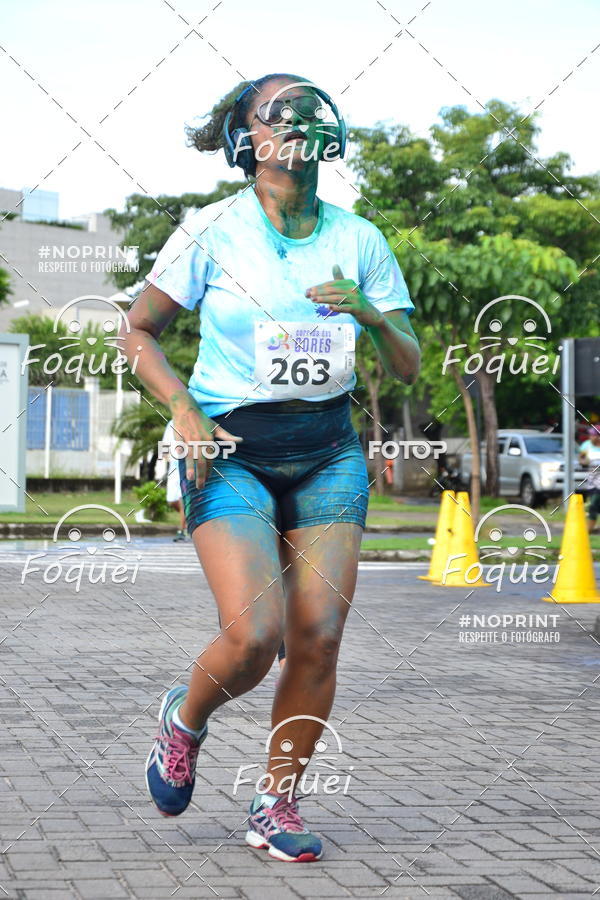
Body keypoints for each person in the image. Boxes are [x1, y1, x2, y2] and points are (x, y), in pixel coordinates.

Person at [120, 73, 420, 863]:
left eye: (310, 110)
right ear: (244, 140)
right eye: (276, 113)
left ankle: (276, 803)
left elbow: (409, 363)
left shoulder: (360, 239)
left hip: (327, 452)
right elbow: (138, 330)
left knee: (317, 637)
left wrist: (372, 314)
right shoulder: (212, 230)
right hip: (230, 451)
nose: (297, 122)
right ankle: (184, 720)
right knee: (256, 636)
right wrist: (183, 409)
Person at [157, 419, 188, 541]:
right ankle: (189, 519)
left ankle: (182, 530)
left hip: (186, 465)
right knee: (171, 501)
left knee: (182, 499)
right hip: (173, 467)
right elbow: (165, 443)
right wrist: (166, 457)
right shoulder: (171, 423)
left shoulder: (190, 420)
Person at [579, 426, 600, 532]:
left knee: (593, 505)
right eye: (590, 435)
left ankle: (589, 530)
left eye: (594, 435)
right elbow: (581, 458)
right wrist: (584, 462)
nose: (591, 437)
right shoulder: (586, 445)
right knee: (594, 504)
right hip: (592, 481)